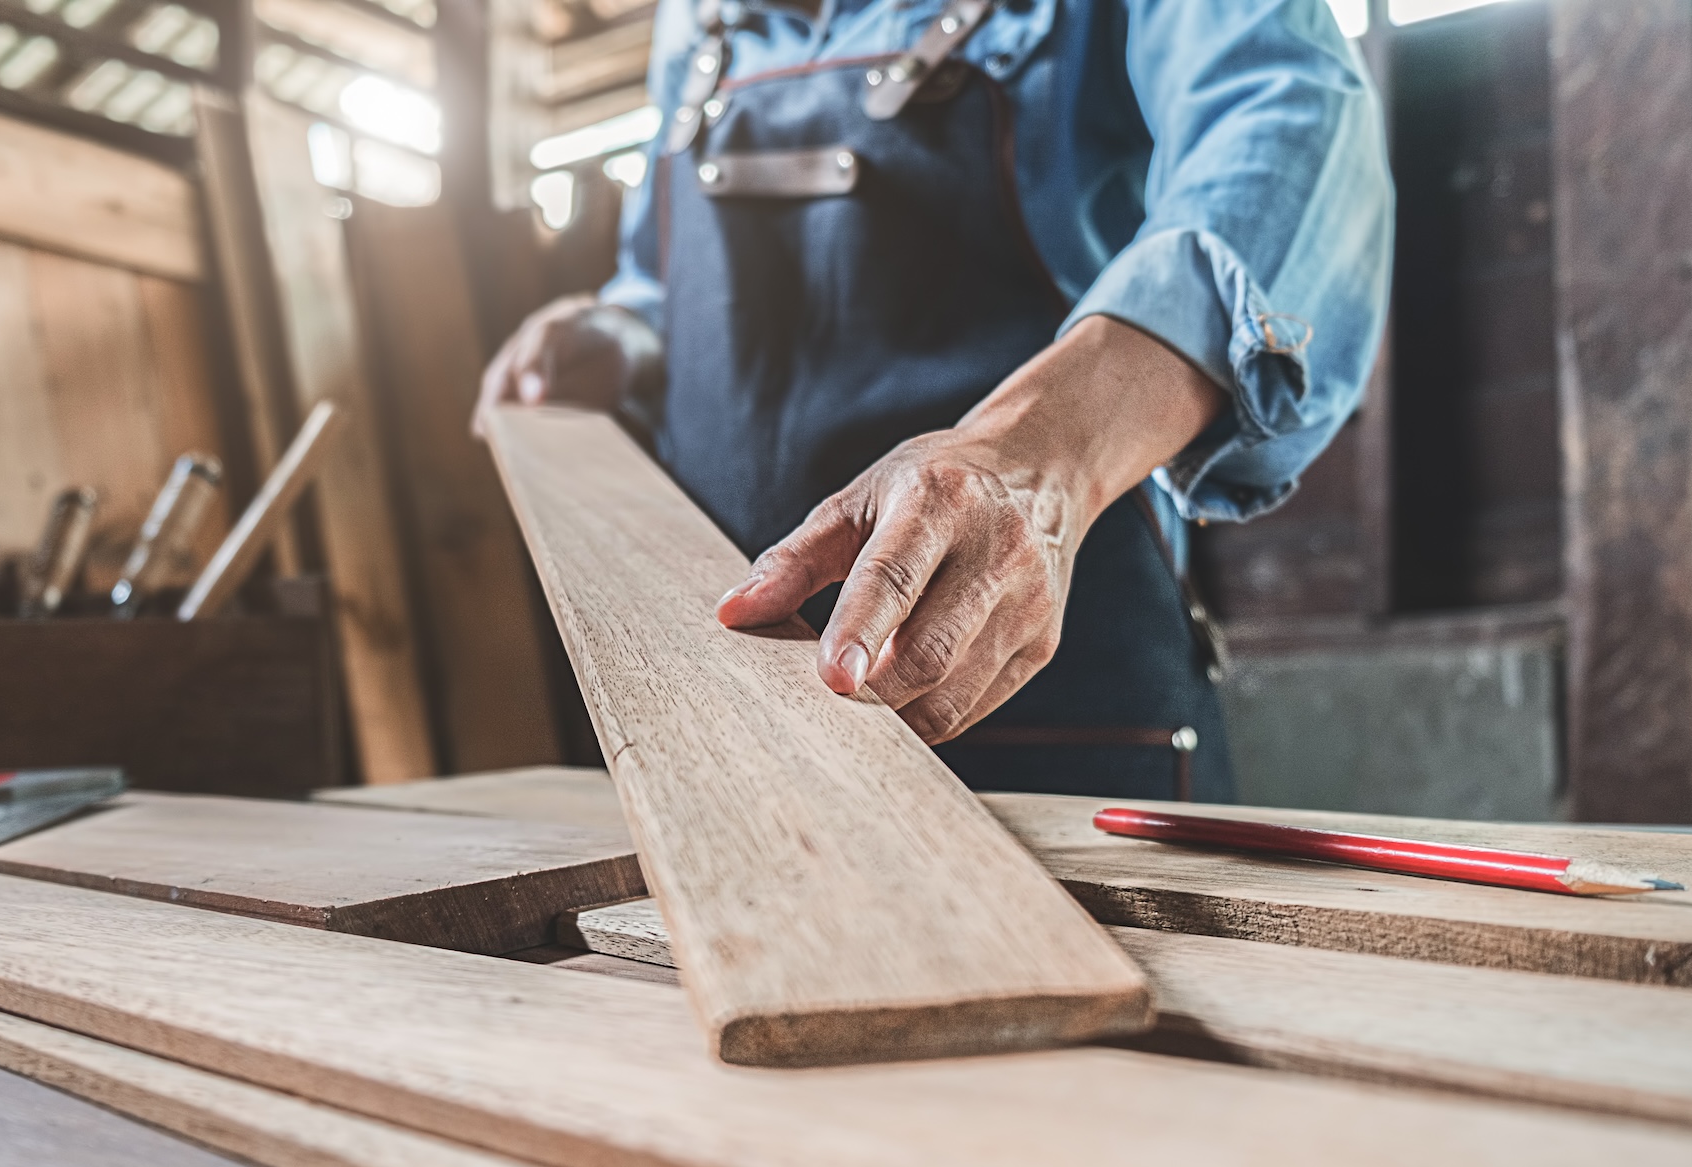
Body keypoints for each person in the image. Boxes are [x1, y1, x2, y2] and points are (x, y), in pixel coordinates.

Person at [479, 0, 1391, 802]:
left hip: (1064, 722)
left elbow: (1289, 129)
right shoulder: (691, 19)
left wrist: (1033, 463)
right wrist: (617, 333)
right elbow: (659, 282)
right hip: (731, 723)